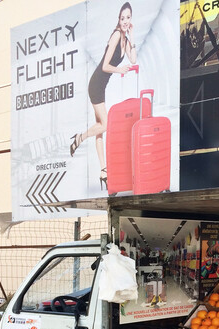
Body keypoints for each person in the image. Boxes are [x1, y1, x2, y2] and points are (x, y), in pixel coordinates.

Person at [70, 2, 137, 190]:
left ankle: (103, 170)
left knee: (100, 127)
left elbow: (133, 59)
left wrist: (133, 35)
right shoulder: (116, 35)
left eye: (128, 18)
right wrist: (120, 70)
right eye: (122, 18)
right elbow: (105, 66)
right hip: (97, 84)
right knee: (105, 125)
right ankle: (80, 137)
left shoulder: (125, 37)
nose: (125, 21)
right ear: (118, 18)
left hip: (101, 86)